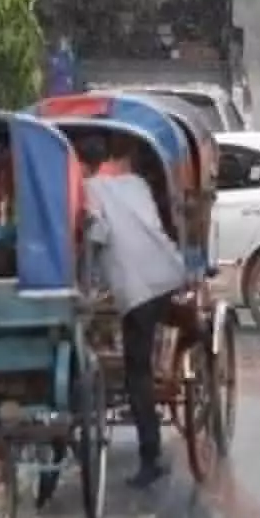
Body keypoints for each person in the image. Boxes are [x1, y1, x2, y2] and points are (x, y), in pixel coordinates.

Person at [81, 135, 202, 489]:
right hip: (168, 270)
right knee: (159, 321)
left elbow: (98, 233)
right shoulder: (136, 184)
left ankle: (150, 457)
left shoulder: (89, 190)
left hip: (136, 289)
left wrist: (82, 230)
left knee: (138, 372)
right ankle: (193, 328)